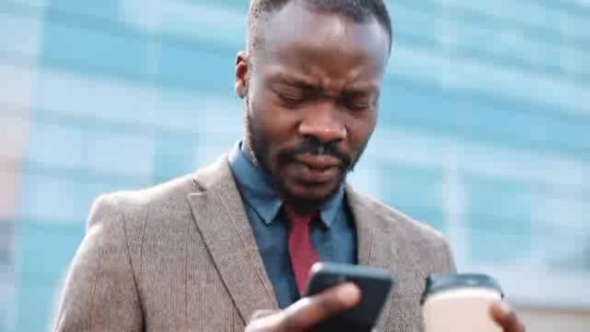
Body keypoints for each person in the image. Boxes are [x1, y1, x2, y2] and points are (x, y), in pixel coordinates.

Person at [53, 0, 526, 331]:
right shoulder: (130, 236)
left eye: (356, 102)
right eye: (295, 94)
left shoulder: (427, 255)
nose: (326, 127)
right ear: (244, 75)